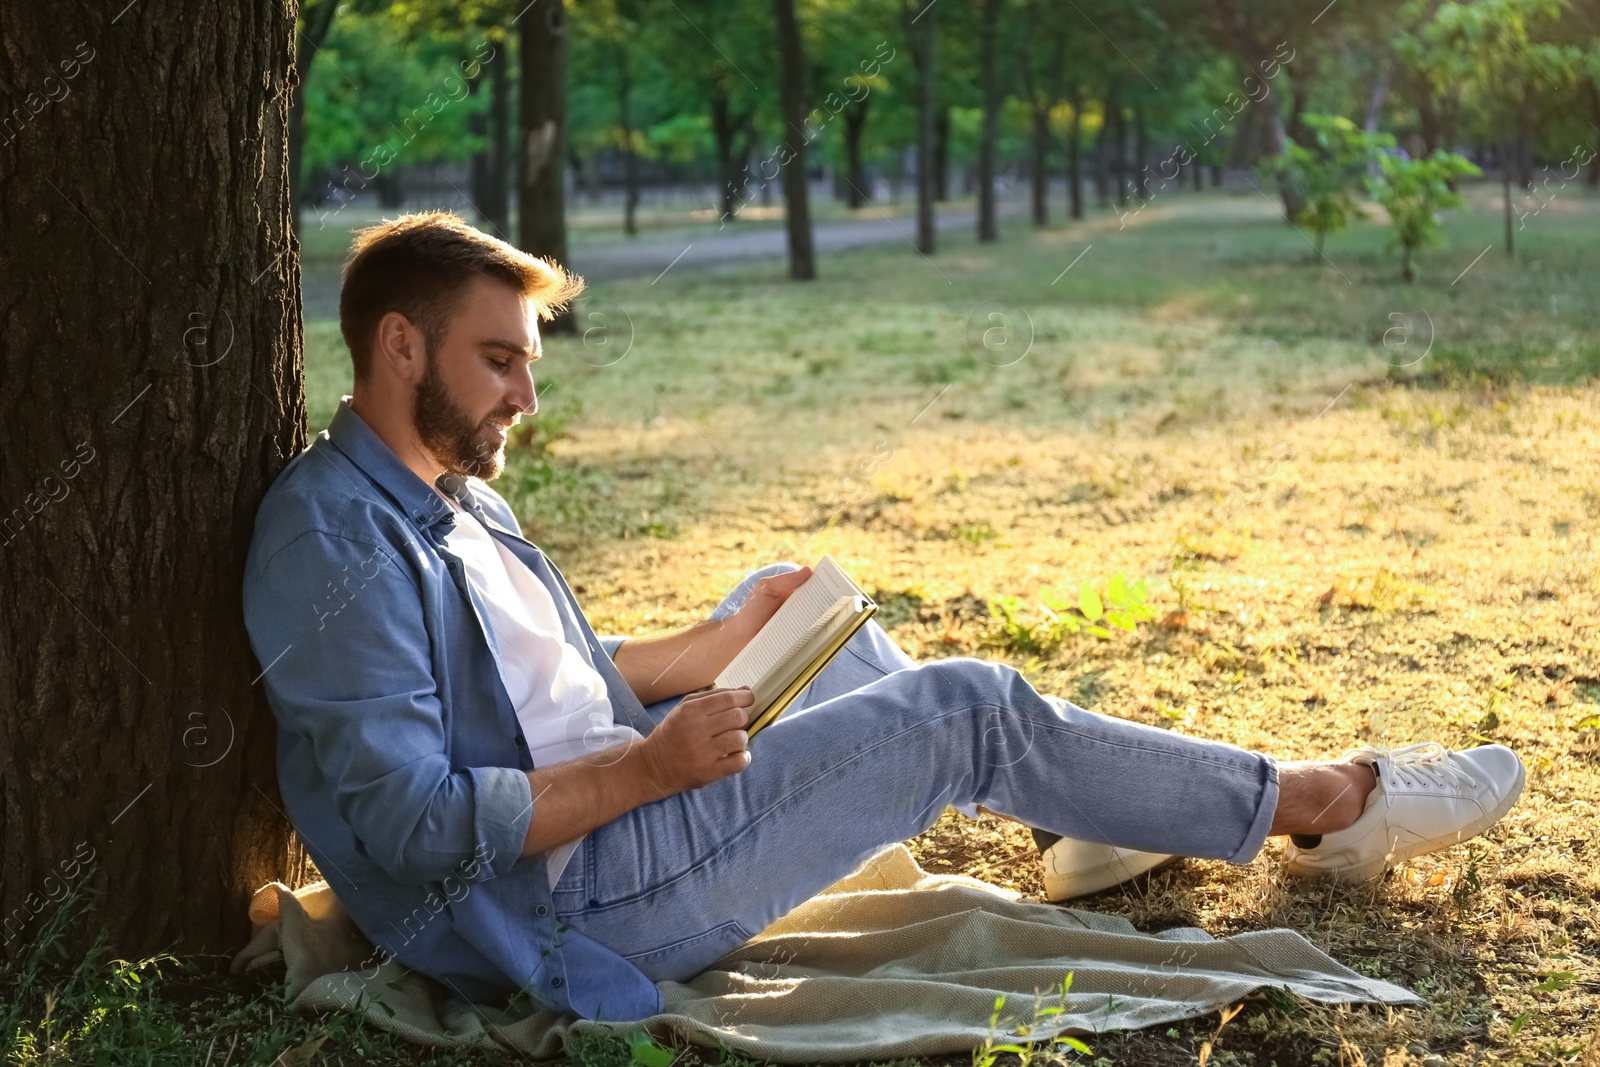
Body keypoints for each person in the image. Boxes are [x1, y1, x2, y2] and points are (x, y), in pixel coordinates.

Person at [241, 212, 1525, 1022]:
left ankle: (1075, 819)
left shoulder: (454, 492)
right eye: (501, 360)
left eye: (531, 360)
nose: (527, 392)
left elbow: (538, 684)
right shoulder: (328, 536)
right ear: (399, 348)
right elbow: (411, 826)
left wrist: (710, 642)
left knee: (830, 625)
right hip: (576, 896)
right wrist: (648, 765)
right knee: (965, 703)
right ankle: (1329, 802)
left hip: (617, 805)